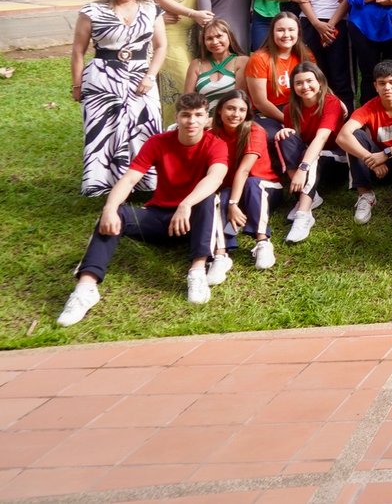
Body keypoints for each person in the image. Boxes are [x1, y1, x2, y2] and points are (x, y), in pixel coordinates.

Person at [56, 93, 230, 326]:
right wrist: (109, 208)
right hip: (159, 218)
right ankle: (86, 288)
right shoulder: (158, 142)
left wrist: (186, 204)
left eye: (198, 115)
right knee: (115, 213)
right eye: (186, 115)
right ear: (176, 117)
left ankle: (197, 271)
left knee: (208, 198)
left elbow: (215, 178)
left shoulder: (215, 144)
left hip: (193, 221)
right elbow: (128, 180)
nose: (192, 121)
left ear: (207, 118)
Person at [72, 0, 167, 196]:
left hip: (140, 76)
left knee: (144, 125)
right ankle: (103, 183)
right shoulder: (91, 11)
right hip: (102, 77)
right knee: (104, 130)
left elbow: (161, 46)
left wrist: (150, 76)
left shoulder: (151, 9)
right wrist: (77, 84)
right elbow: (78, 51)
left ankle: (145, 182)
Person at [336, 59, 392, 227]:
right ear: (375, 86)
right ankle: (365, 195)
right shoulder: (369, 107)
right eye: (382, 83)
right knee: (355, 135)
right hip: (374, 165)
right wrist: (371, 158)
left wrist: (386, 154)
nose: (387, 88)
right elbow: (342, 136)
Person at [272, 61, 348, 244]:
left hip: (337, 159)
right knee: (284, 136)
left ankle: (303, 214)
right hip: (312, 161)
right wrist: (284, 133)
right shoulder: (291, 109)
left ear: (320, 82)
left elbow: (321, 139)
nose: (304, 86)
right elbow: (296, 145)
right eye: (299, 83)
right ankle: (307, 197)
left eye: (309, 81)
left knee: (315, 157)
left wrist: (303, 168)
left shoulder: (331, 102)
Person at [213, 88, 278, 271]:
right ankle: (221, 253)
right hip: (233, 188)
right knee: (220, 196)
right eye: (231, 108)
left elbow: (244, 170)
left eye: (241, 110)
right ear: (220, 110)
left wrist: (233, 204)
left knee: (251, 182)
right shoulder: (213, 134)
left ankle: (263, 241)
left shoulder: (254, 130)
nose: (236, 114)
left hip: (264, 186)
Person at [243, 11, 311, 135]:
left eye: (291, 30)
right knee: (274, 136)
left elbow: (317, 86)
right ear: (272, 33)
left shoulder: (305, 55)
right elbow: (260, 102)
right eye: (280, 30)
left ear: (298, 32)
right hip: (268, 113)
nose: (286, 35)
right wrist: (288, 121)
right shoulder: (260, 58)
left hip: (299, 107)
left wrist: (335, 101)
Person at [185, 18, 247, 108]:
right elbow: (188, 99)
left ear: (229, 36)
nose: (215, 42)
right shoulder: (196, 64)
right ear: (204, 42)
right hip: (203, 118)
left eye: (219, 36)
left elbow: (239, 99)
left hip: (232, 117)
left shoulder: (242, 61)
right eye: (209, 38)